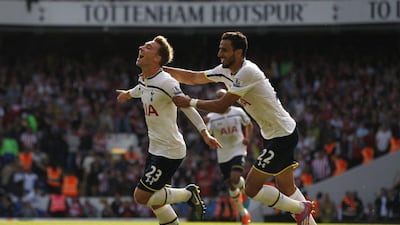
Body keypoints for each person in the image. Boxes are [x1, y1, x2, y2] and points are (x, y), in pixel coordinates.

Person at [164, 31, 316, 225]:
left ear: (239, 52)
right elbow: (193, 78)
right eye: (220, 49)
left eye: (225, 50)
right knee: (287, 188)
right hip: (273, 134)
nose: (220, 54)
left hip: (282, 135)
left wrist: (190, 101)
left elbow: (222, 105)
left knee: (251, 188)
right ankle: (308, 220)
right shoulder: (224, 70)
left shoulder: (248, 72)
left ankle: (300, 208)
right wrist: (162, 70)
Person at [116, 35, 221, 225]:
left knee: (141, 197)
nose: (141, 47)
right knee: (157, 202)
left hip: (169, 150)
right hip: (155, 148)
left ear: (157, 58)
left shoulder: (167, 82)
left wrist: (204, 132)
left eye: (148, 47)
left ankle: (188, 194)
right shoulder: (146, 79)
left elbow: (187, 106)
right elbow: (140, 89)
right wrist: (127, 95)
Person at [204, 88, 253, 225]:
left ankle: (245, 190)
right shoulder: (212, 117)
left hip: (238, 149)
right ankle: (243, 213)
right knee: (231, 186)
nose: (222, 100)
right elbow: (206, 135)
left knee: (235, 178)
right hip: (223, 153)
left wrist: (247, 138)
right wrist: (204, 125)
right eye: (219, 98)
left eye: (224, 97)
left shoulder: (238, 112)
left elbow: (248, 124)